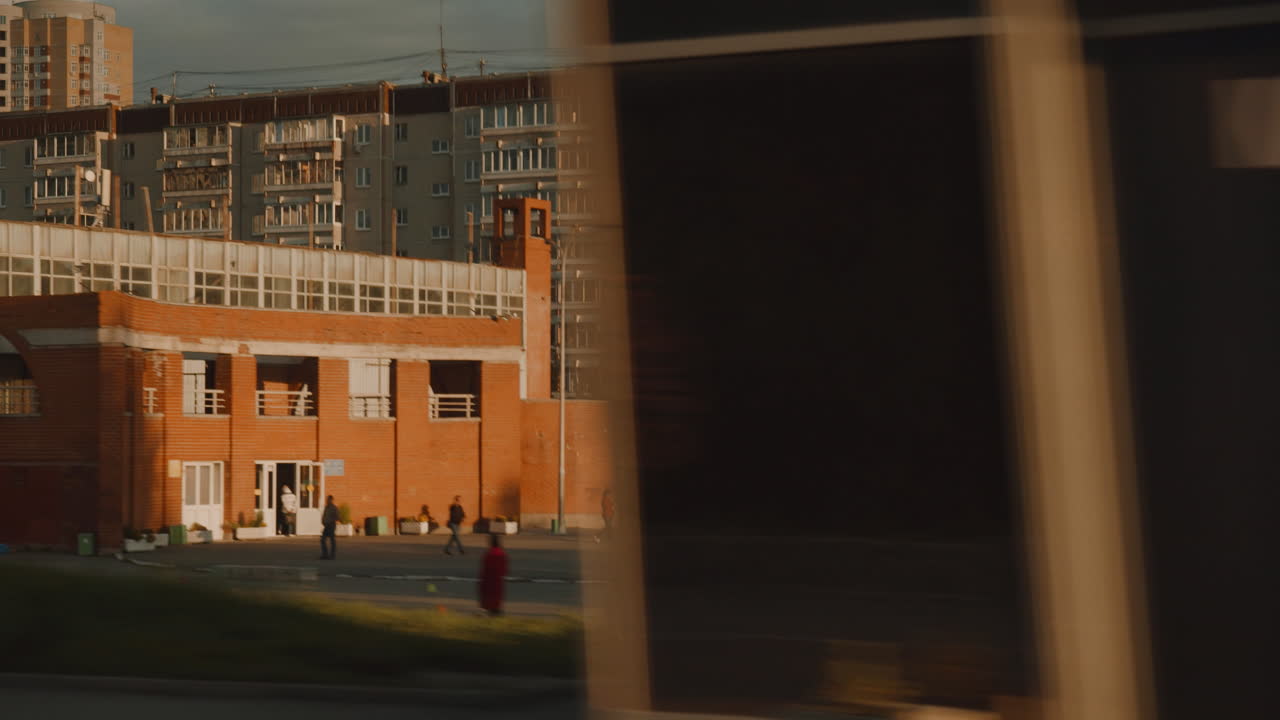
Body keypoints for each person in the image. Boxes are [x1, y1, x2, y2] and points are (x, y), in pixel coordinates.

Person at [479, 533, 508, 616]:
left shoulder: (489, 554)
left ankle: (492, 613)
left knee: (489, 601)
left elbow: (484, 569)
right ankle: (496, 612)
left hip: (488, 581)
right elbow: (505, 569)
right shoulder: (502, 553)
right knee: (496, 601)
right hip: (498, 581)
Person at [320, 495, 338, 560]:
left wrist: (330, 520)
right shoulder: (326, 507)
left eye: (328, 500)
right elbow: (324, 515)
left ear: (331, 500)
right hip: (326, 526)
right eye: (327, 500)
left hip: (331, 525)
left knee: (332, 540)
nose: (327, 501)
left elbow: (337, 517)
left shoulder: (334, 508)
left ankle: (332, 555)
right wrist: (323, 521)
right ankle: (325, 555)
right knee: (322, 540)